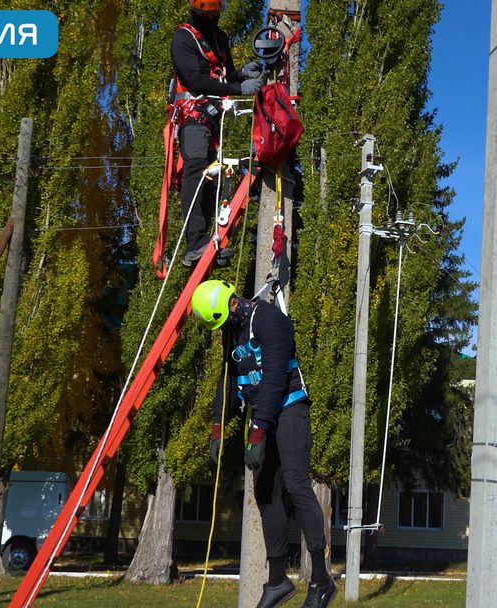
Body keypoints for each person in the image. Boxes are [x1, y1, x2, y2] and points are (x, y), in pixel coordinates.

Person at [191, 280, 337, 608]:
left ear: (232, 305)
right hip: (265, 416)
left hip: (290, 408)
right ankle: (277, 580)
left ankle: (320, 579)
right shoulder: (233, 331)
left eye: (222, 322)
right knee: (264, 492)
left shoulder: (271, 320)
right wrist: (218, 427)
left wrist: (257, 434)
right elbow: (229, 380)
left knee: (298, 487)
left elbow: (272, 381)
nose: (224, 329)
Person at [172, 0, 264, 267]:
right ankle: (195, 242)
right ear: (197, 12)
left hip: (213, 121)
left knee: (214, 177)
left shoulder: (219, 38)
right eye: (207, 15)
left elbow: (223, 79)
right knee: (197, 171)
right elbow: (196, 80)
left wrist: (240, 74)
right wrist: (239, 89)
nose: (212, 19)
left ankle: (210, 240)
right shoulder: (184, 38)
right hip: (193, 117)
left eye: (214, 15)